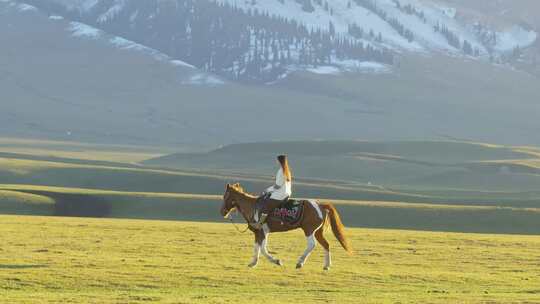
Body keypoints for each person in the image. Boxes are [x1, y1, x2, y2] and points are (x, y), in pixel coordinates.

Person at [251, 155, 292, 229]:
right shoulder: (287, 170)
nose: (276, 161)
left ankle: (259, 224)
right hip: (287, 193)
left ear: (279, 161)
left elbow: (277, 186)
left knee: (266, 206)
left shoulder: (281, 171)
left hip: (280, 194)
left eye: (277, 160)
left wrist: (267, 190)